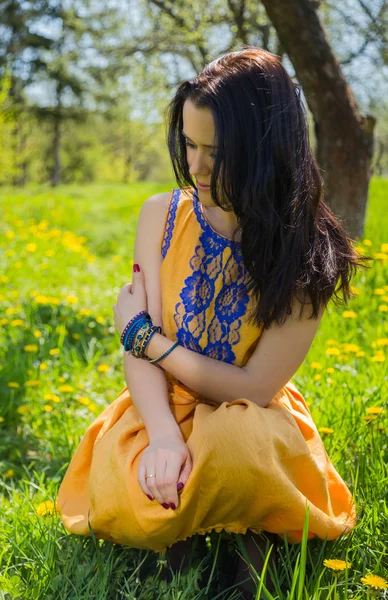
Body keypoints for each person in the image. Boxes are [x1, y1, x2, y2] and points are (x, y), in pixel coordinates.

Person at [56, 46, 372, 597]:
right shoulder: (161, 215)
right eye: (189, 144)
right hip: (163, 405)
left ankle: (247, 535)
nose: (197, 168)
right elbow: (143, 364)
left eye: (217, 152)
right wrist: (159, 436)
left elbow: (254, 386)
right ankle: (189, 533)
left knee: (232, 442)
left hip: (250, 418)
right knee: (129, 472)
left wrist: (143, 336)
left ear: (265, 151)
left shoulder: (306, 250)